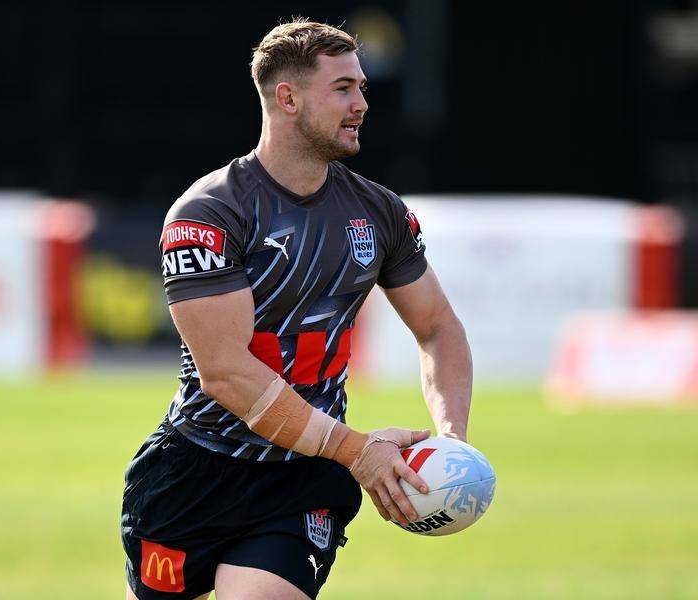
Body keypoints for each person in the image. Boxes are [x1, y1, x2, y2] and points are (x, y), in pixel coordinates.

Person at [121, 18, 472, 600]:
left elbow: (437, 327)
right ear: (287, 98)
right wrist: (358, 450)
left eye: (362, 87)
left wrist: (449, 443)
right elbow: (227, 374)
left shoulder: (379, 212)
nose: (362, 103)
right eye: (343, 89)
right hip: (194, 472)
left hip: (303, 479)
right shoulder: (209, 213)